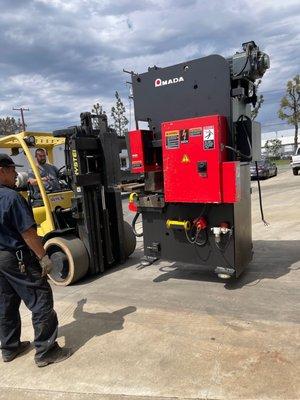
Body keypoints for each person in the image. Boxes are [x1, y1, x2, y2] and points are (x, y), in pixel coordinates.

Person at [0, 154, 72, 367]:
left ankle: (9, 348)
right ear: (1, 171)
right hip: (16, 257)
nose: (16, 175)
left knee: (6, 303)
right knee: (40, 299)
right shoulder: (11, 198)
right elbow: (28, 233)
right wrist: (43, 257)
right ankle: (46, 351)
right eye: (12, 170)